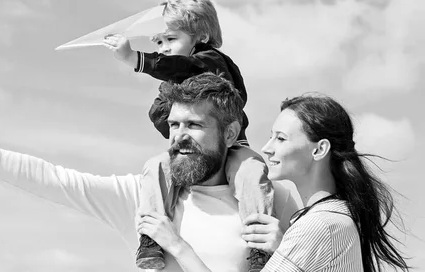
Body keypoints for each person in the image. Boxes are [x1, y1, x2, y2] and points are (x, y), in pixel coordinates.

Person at [0, 73, 300, 272]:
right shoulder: (144, 199)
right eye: (174, 126)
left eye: (193, 126)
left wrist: (283, 251)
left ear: (230, 133)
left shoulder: (271, 204)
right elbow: (53, 180)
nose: (178, 137)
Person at [139, 93, 411, 272]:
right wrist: (284, 247)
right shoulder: (326, 220)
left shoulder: (321, 226)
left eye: (280, 138)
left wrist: (177, 246)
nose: (266, 149)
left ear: (319, 150)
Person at [103, 0, 273, 270]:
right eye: (158, 43)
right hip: (195, 152)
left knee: (251, 171)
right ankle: (151, 239)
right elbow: (158, 113)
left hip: (230, 147)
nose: (164, 48)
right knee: (156, 165)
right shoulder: (174, 83)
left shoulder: (210, 61)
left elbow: (180, 66)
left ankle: (259, 248)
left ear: (201, 36)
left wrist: (136, 59)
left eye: (171, 38)